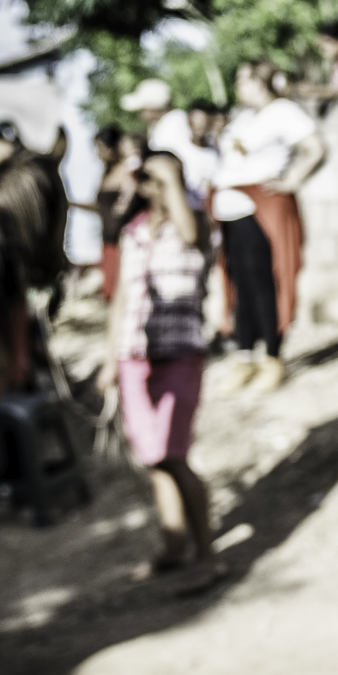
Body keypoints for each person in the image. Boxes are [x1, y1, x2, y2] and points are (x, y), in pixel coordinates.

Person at [95, 151, 224, 595]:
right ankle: (174, 546)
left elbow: (192, 236)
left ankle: (207, 553)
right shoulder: (134, 233)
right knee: (152, 456)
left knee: (173, 452)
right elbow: (122, 299)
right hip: (136, 353)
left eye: (155, 179)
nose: (148, 186)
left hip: (179, 351)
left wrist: (170, 178)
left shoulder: (194, 225)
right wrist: (111, 358)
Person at [211, 59, 326, 392]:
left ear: (262, 81)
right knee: (239, 287)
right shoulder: (244, 118)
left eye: (244, 79)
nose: (238, 86)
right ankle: (244, 357)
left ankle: (272, 358)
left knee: (264, 284)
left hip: (258, 209)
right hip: (230, 209)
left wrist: (292, 181)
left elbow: (315, 148)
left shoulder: (284, 112)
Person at [123, 78, 218, 209]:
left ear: (151, 108)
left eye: (143, 109)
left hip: (190, 200)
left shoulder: (167, 129)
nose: (141, 114)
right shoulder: (175, 120)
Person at [94, 126, 143, 303]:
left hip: (123, 240)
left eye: (101, 147)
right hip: (108, 240)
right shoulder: (106, 174)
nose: (98, 153)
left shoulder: (131, 171)